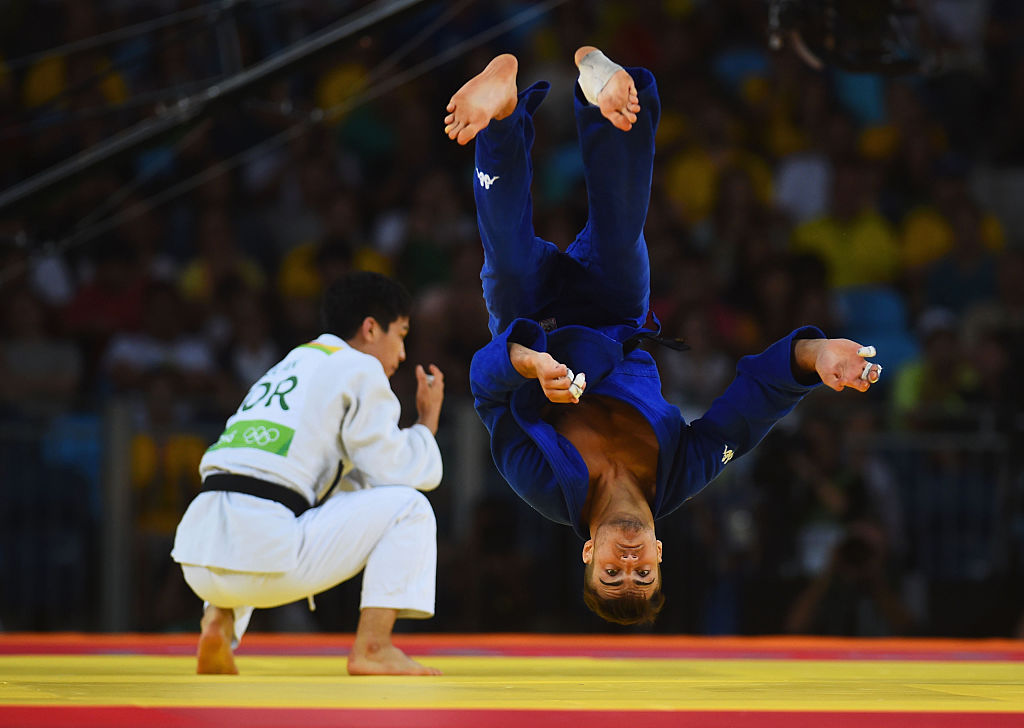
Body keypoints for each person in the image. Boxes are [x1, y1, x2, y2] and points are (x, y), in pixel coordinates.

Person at [444, 47, 883, 626]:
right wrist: (815, 354)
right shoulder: (683, 471)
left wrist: (527, 363)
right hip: (614, 314)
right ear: (659, 554)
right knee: (623, 234)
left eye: (612, 573)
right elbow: (755, 403)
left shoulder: (540, 484)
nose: (628, 562)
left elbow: (485, 392)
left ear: (587, 554)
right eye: (642, 574)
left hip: (529, 324)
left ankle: (501, 116)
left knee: (507, 259)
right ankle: (603, 102)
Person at [171, 271, 446, 675]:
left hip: (197, 555)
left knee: (288, 492)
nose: (402, 354)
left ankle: (218, 620)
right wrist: (426, 424)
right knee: (410, 508)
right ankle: (374, 647)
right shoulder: (360, 368)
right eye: (401, 334)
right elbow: (394, 470)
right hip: (261, 559)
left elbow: (351, 485)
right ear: (371, 328)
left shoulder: (288, 365)